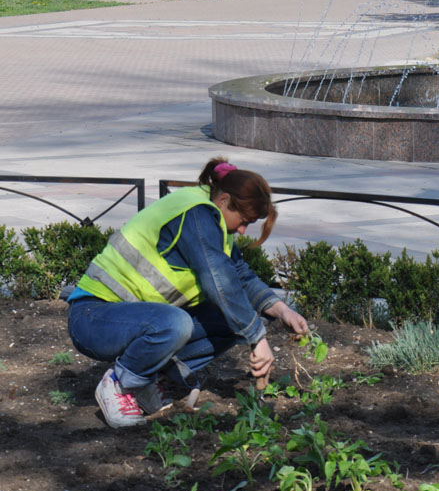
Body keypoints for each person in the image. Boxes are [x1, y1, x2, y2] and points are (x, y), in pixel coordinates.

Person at [65, 158, 309, 429]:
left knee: (246, 314)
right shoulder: (196, 215)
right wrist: (257, 338)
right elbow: (218, 281)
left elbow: (239, 276)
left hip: (136, 319)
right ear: (224, 200)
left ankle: (149, 377)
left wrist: (282, 310)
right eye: (243, 221)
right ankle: (119, 386)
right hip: (93, 317)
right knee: (176, 323)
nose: (242, 230)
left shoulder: (215, 219)